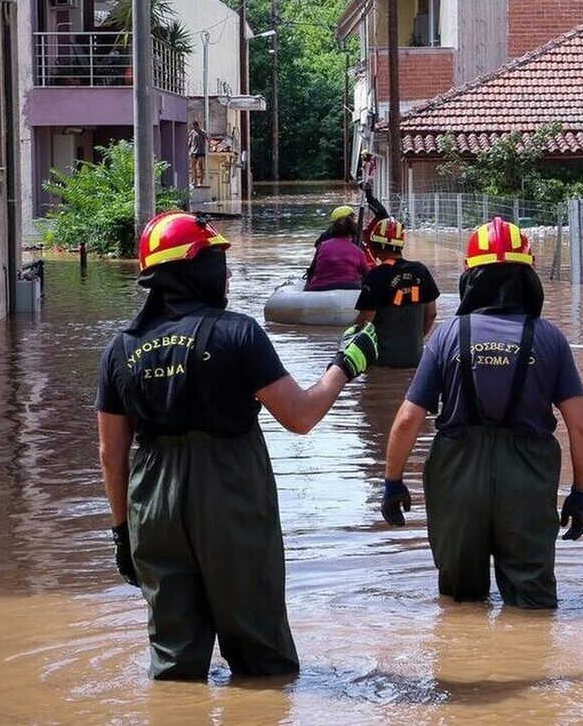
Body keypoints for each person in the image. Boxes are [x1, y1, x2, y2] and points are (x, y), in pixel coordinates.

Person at [96, 211, 379, 680]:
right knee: (261, 657)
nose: (226, 272)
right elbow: (300, 416)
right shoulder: (237, 333)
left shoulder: (121, 349)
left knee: (173, 661)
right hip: (230, 497)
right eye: (216, 259)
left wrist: (123, 533)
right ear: (192, 266)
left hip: (152, 506)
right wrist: (344, 366)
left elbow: (111, 454)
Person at [381, 218, 583, 609]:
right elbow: (580, 426)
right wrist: (580, 494)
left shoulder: (447, 335)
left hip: (458, 479)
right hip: (527, 482)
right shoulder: (549, 338)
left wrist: (393, 481)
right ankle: (535, 666)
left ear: (469, 275)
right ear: (528, 275)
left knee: (460, 603)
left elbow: (408, 419)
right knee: (533, 604)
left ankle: (463, 666)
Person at [351, 218, 439, 368]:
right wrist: (416, 340)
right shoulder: (421, 270)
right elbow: (432, 313)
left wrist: (348, 340)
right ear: (401, 244)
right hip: (415, 358)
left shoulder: (375, 276)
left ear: (376, 246)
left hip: (381, 361)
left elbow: (365, 321)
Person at [305, 208, 371, 291]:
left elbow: (312, 269)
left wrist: (307, 286)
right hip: (350, 286)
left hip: (320, 286)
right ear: (351, 233)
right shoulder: (358, 251)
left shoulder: (322, 245)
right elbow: (367, 274)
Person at [188, 121, 207, 187]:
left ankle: (201, 181)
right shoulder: (192, 132)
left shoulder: (202, 132)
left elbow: (207, 138)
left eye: (195, 126)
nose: (194, 128)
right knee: (193, 166)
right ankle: (194, 180)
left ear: (197, 126)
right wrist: (188, 149)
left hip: (201, 151)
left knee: (200, 166)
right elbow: (190, 141)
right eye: (193, 127)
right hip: (194, 151)